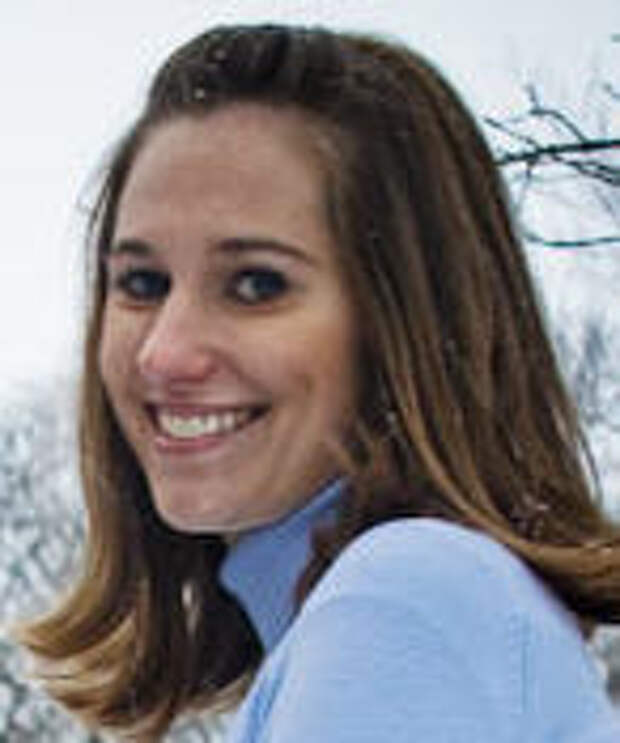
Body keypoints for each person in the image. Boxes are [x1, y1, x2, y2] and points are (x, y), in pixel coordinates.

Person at [15, 23, 620, 742]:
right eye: (142, 283)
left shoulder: (405, 599)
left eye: (256, 284)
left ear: (402, 320)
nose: (164, 353)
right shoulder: (405, 611)